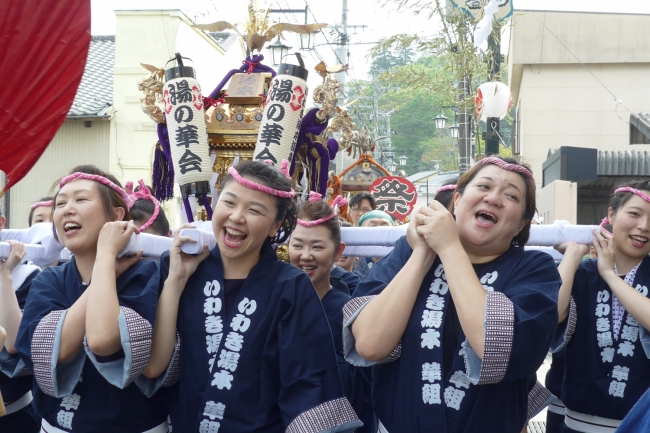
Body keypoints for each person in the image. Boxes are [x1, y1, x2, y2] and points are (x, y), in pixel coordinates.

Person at [345, 156, 562, 432]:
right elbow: (369, 344)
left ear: (522, 224)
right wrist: (423, 252)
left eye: (511, 195)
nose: (494, 199)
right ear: (457, 201)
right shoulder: (408, 252)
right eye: (483, 186)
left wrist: (449, 247)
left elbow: (495, 346)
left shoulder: (534, 270)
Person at [143, 160, 362, 432]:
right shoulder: (178, 268)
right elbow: (154, 368)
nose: (236, 217)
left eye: (254, 210)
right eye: (229, 202)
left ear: (275, 226)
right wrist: (175, 281)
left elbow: (307, 383)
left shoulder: (290, 286)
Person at [12, 165, 169, 432]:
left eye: (81, 199)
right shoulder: (48, 280)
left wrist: (106, 257)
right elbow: (54, 349)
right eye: (60, 203)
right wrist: (105, 268)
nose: (67, 209)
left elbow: (106, 340)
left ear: (117, 215)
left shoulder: (148, 275)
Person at [554, 180, 650, 433]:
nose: (644, 226)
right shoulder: (581, 273)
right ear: (611, 214)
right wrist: (574, 254)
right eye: (634, 214)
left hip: (639, 425)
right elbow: (551, 317)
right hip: (576, 425)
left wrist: (608, 274)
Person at [288, 193, 372, 431]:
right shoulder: (275, 303)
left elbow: (360, 391)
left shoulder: (349, 314)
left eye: (317, 246)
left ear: (338, 252)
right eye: (298, 245)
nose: (305, 255)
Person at [0, 209, 41, 431]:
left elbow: (14, 343)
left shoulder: (29, 275)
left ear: (1, 222)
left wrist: (5, 275)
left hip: (14, 414)